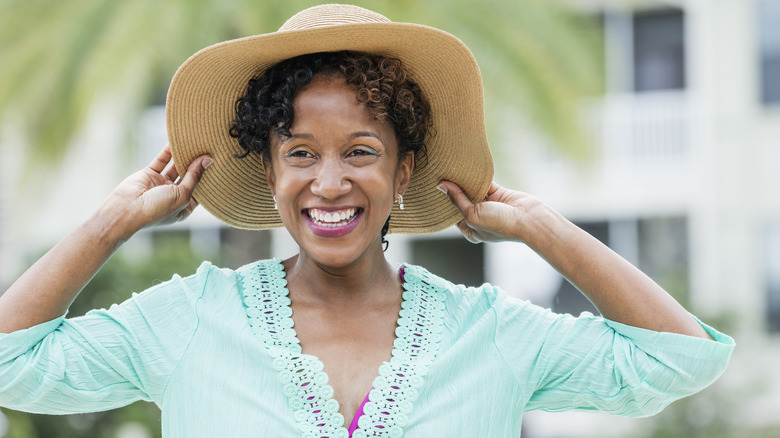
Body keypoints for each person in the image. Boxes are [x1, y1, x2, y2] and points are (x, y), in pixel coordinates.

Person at [0, 4, 733, 438]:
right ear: (269, 170)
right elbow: (10, 365)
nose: (329, 183)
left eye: (360, 151)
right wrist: (109, 223)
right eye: (299, 153)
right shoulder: (189, 320)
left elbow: (679, 358)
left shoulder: (493, 334)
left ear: (402, 170)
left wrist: (541, 226)